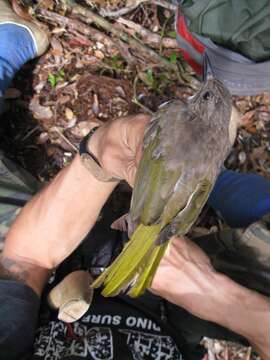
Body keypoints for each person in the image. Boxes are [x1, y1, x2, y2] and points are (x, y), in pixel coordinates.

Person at [0, 1, 270, 359]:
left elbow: (25, 261)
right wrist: (213, 295)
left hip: (70, 263)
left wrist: (99, 156)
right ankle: (208, 177)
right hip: (175, 305)